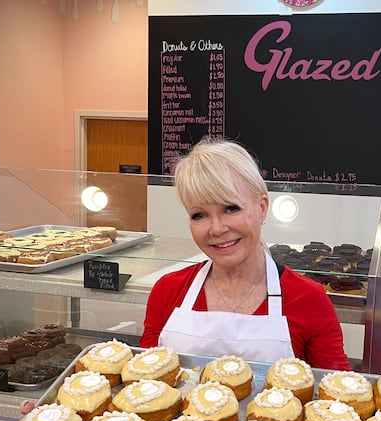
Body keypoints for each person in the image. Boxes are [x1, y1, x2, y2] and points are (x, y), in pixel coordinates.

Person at [139, 138, 351, 370]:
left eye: (231, 208)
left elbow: (337, 393)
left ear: (262, 208)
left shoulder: (309, 299)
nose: (217, 228)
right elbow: (145, 377)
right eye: (199, 215)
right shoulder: (168, 290)